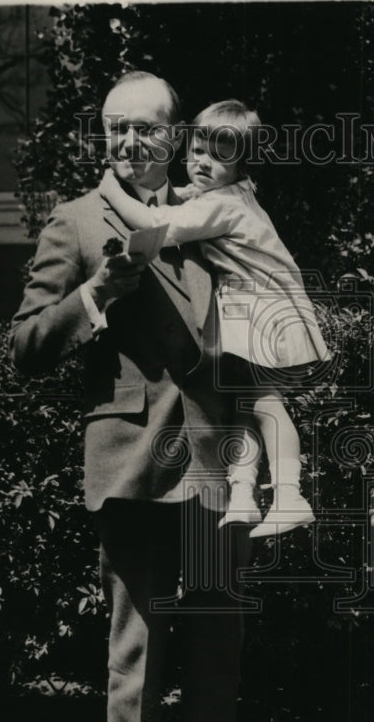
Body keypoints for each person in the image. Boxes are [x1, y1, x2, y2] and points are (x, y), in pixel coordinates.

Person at [9, 72, 290, 722]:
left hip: (215, 460)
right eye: (115, 127)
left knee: (216, 638)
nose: (129, 142)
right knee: (135, 647)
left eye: (146, 130)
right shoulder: (75, 221)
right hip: (133, 462)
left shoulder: (212, 211)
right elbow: (26, 347)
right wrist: (97, 289)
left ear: (175, 137)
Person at [99, 99, 331, 540]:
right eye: (198, 151)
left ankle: (290, 497)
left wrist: (112, 189)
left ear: (240, 166)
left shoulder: (221, 207)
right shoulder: (233, 194)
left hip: (264, 311)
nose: (203, 164)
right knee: (247, 405)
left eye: (220, 159)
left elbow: (154, 224)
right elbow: (196, 199)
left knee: (266, 403)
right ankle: (243, 494)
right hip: (258, 308)